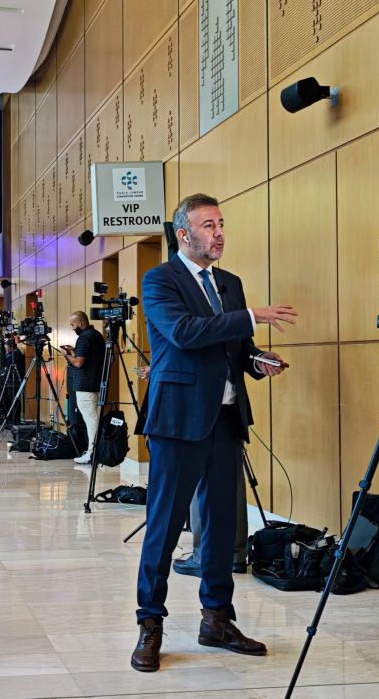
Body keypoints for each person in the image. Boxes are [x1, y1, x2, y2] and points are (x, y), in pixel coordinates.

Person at [130, 194, 296, 672]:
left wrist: (258, 361)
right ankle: (150, 623)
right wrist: (252, 316)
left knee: (222, 525)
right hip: (178, 420)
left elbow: (237, 348)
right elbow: (184, 332)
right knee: (164, 526)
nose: (219, 233)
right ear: (184, 234)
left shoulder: (230, 283)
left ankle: (217, 619)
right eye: (208, 225)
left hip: (225, 419)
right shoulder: (160, 280)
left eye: (221, 224)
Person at [61, 311, 106, 464]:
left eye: (72, 325)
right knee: (93, 418)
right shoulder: (96, 335)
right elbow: (88, 357)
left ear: (80, 323)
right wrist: (74, 351)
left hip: (85, 385)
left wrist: (66, 355)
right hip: (96, 382)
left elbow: (79, 363)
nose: (72, 328)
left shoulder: (83, 338)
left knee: (91, 420)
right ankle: (95, 450)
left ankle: (92, 452)